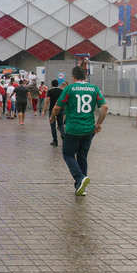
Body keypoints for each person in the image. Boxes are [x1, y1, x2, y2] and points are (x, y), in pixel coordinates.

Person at [50, 66, 108, 196]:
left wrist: (52, 117)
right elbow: (104, 107)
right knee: (82, 156)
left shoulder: (69, 89)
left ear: (73, 76)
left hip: (73, 128)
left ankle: (80, 178)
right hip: (89, 129)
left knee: (68, 154)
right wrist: (98, 124)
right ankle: (81, 188)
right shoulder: (94, 89)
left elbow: (57, 107)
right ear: (86, 76)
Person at [44, 80, 65, 146]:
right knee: (61, 124)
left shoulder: (50, 91)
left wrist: (44, 110)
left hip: (52, 109)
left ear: (51, 84)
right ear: (57, 84)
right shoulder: (62, 91)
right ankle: (64, 137)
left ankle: (55, 141)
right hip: (60, 109)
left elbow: (47, 101)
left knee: (52, 125)